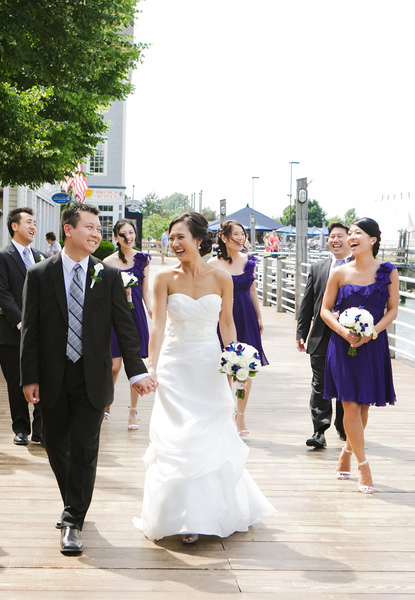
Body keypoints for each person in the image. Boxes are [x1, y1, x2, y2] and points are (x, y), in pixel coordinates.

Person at [20, 202, 156, 556]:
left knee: (85, 445)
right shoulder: (38, 274)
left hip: (93, 375)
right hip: (52, 375)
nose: (97, 234)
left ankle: (73, 519)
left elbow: (125, 330)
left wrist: (136, 369)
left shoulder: (109, 276)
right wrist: (28, 377)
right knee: (53, 442)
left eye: (99, 229)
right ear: (69, 230)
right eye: (90, 227)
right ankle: (73, 501)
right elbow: (30, 331)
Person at [134, 212, 275, 545]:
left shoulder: (221, 278)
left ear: (199, 240)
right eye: (171, 238)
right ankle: (179, 515)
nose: (174, 243)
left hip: (209, 364)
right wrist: (151, 366)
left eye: (180, 237)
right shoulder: (164, 278)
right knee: (176, 438)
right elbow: (158, 324)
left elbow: (226, 323)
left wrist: (235, 357)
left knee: (210, 432)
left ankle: (208, 512)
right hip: (175, 364)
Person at [319, 218, 399, 494]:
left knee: (363, 407)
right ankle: (364, 467)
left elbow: (392, 311)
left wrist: (371, 333)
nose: (351, 237)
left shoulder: (388, 272)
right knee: (350, 404)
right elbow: (325, 310)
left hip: (372, 344)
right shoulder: (339, 273)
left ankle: (347, 451)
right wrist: (343, 331)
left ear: (373, 240)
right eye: (350, 233)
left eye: (358, 234)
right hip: (342, 345)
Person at [0, 208, 46, 446]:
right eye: (28, 222)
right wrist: (21, 321)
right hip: (12, 332)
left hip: (42, 333)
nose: (33, 227)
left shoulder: (41, 256)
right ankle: (21, 428)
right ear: (14, 226)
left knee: (44, 379)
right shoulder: (0, 257)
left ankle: (41, 429)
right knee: (16, 382)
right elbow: (0, 292)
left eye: (34, 223)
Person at [296, 222, 352, 448]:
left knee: (345, 383)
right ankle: (319, 430)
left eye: (340, 236)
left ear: (350, 239)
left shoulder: (358, 268)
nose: (335, 240)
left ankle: (344, 427)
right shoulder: (318, 267)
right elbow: (308, 302)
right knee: (319, 384)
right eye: (331, 236)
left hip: (348, 336)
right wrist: (301, 332)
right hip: (320, 335)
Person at [209, 220, 267, 436]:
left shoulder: (249, 260)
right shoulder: (212, 264)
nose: (241, 238)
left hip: (246, 314)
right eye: (236, 234)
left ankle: (240, 417)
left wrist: (259, 316)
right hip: (222, 316)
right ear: (224, 238)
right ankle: (224, 411)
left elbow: (252, 290)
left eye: (243, 234)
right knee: (225, 366)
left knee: (246, 366)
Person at [104, 219, 152, 429]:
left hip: (136, 314)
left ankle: (133, 412)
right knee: (114, 366)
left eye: (131, 233)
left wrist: (151, 309)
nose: (128, 237)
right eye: (123, 234)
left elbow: (146, 289)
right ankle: (106, 403)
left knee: (136, 366)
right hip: (114, 316)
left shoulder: (143, 259)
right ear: (116, 237)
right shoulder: (107, 262)